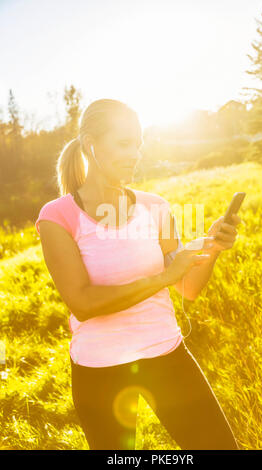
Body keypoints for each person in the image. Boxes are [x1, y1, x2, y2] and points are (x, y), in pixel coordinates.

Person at [35, 98, 241, 450]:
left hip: (167, 354)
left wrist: (211, 249)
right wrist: (163, 277)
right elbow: (82, 303)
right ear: (91, 145)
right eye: (124, 143)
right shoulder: (58, 216)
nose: (135, 153)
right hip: (99, 369)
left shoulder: (155, 207)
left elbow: (188, 287)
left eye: (139, 144)